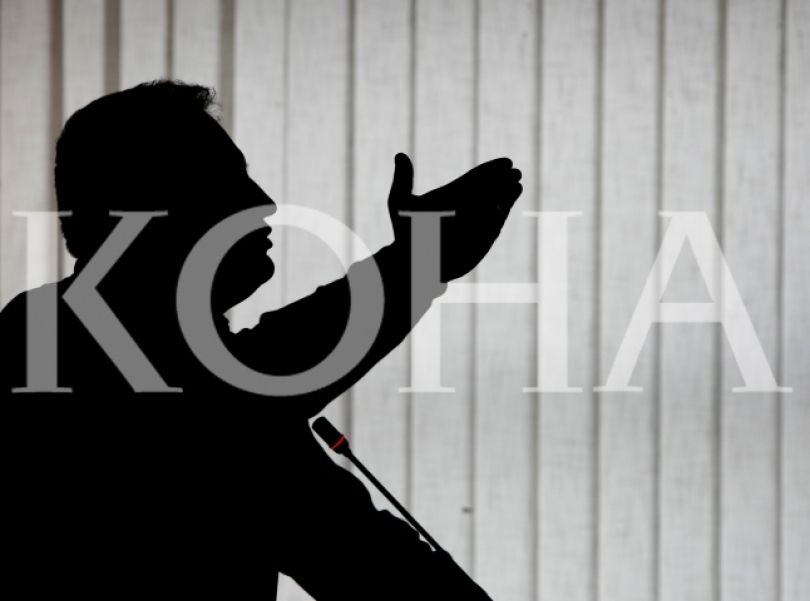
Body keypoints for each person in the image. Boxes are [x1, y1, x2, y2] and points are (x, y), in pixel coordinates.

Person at [1, 80, 522, 598]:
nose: (264, 202)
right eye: (225, 182)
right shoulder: (55, 343)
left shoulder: (64, 336)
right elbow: (241, 398)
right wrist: (417, 262)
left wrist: (418, 261)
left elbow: (261, 382)